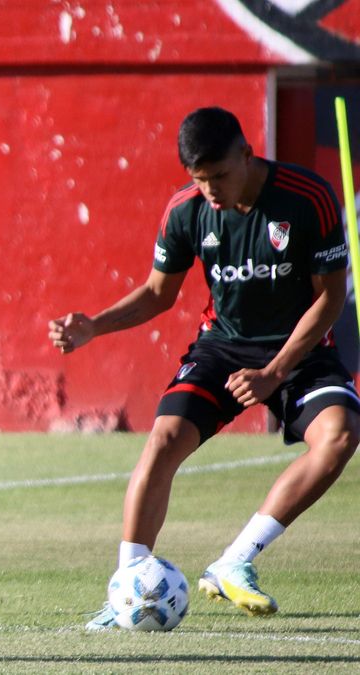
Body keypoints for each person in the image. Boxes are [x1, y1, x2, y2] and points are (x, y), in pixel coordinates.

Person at [48, 107, 360, 629]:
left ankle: (234, 561)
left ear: (246, 154)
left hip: (299, 349)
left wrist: (277, 370)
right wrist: (94, 326)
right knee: (165, 437)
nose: (212, 190)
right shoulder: (186, 210)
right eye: (200, 179)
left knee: (341, 435)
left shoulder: (308, 198)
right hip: (223, 347)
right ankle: (126, 587)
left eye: (220, 176)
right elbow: (156, 293)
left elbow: (330, 299)